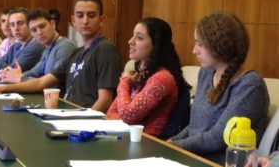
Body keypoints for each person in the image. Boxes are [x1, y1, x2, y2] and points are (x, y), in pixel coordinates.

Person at [0, 0, 123, 112]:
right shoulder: (77, 53)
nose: (85, 21)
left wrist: (83, 125)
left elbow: (105, 100)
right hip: (67, 113)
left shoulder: (105, 49)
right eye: (80, 15)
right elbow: (42, 81)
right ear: (73, 20)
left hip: (83, 122)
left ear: (102, 20)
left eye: (91, 15)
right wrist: (1, 89)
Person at [168, 11, 270, 164]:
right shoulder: (206, 72)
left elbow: (218, 137)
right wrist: (173, 141)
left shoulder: (250, 85)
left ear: (219, 45)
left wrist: (176, 146)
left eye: (200, 44)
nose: (194, 50)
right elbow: (196, 126)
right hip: (191, 157)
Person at [106, 17, 191, 137]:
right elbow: (111, 113)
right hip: (128, 138)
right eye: (133, 35)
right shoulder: (139, 75)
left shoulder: (162, 78)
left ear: (156, 45)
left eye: (139, 38)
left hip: (148, 144)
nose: (130, 41)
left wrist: (124, 83)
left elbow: (128, 115)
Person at [0, 8, 76, 95]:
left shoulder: (65, 47)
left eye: (42, 26)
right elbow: (34, 72)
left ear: (53, 24)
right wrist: (14, 75)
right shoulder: (47, 49)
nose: (39, 32)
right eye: (34, 30)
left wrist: (21, 78)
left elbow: (52, 85)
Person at [0, 7, 45, 77]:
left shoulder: (36, 46)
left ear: (30, 24)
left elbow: (9, 74)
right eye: (12, 25)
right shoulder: (16, 46)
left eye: (20, 23)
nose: (16, 28)